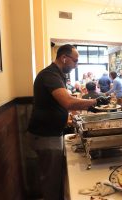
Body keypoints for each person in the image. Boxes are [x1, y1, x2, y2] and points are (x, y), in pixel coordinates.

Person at [27, 44, 97, 200]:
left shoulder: (57, 75)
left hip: (51, 133)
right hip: (45, 135)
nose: (76, 65)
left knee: (55, 176)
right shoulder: (50, 75)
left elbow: (61, 103)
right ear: (64, 58)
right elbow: (68, 102)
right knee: (51, 180)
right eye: (75, 61)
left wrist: (73, 116)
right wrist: (94, 102)